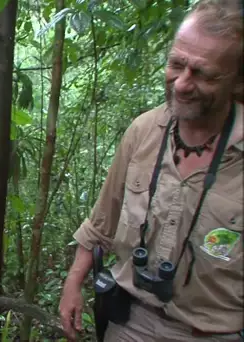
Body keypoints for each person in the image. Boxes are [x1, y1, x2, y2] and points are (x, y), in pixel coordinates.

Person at [59, 1, 243, 341]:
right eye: (176, 64)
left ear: (236, 80)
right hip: (130, 321)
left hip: (214, 331)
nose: (182, 84)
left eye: (203, 74)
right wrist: (73, 283)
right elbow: (102, 222)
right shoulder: (144, 132)